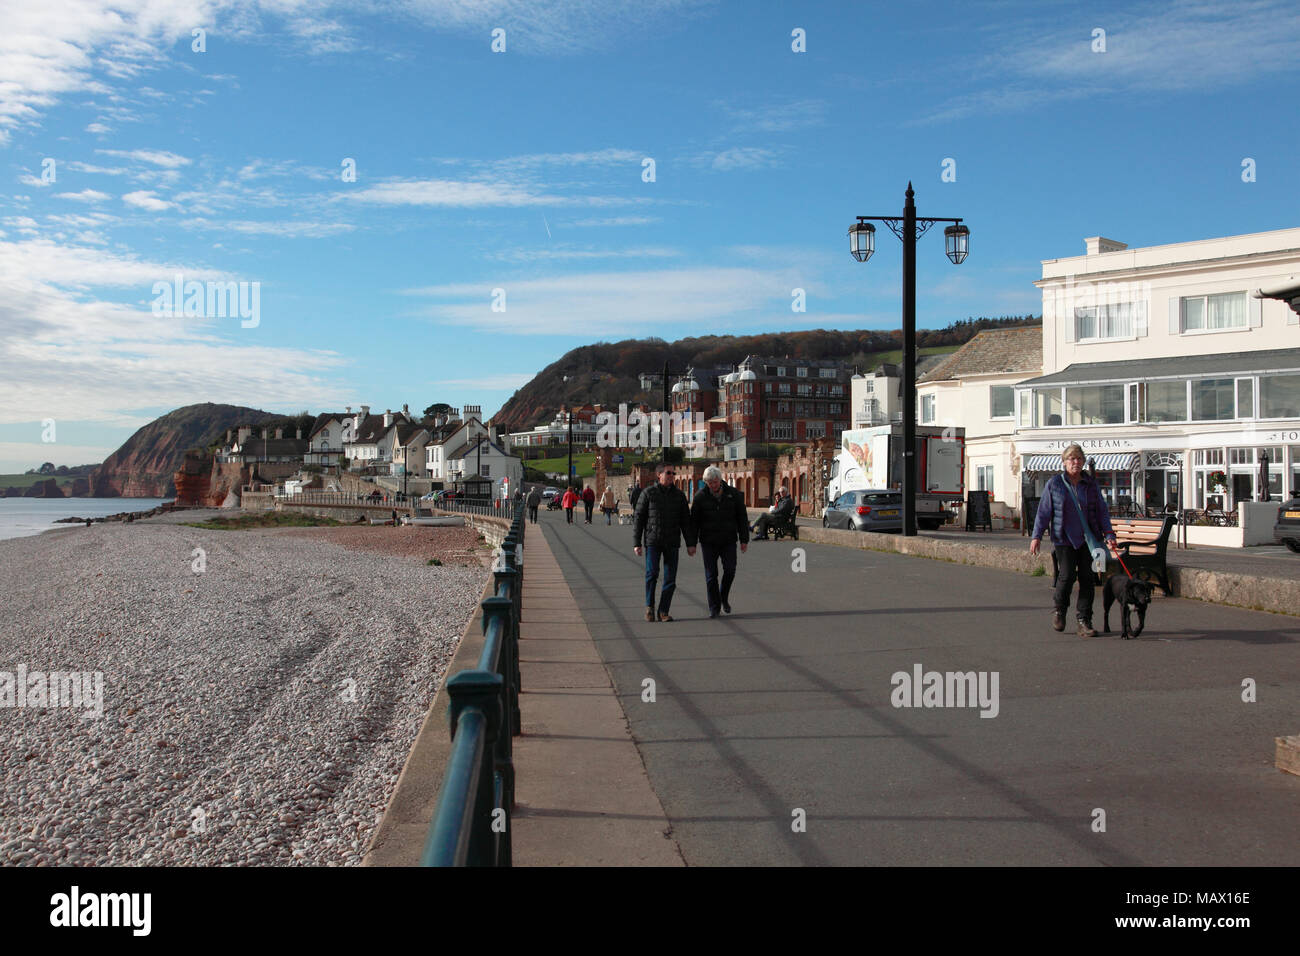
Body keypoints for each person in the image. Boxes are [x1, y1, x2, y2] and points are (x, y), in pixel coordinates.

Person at [1030, 443, 1119, 638]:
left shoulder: (1091, 485)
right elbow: (1044, 512)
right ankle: (1060, 611)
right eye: (1072, 459)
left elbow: (1102, 512)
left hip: (1088, 540)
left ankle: (1084, 620)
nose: (1076, 462)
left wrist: (1109, 534)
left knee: (1088, 579)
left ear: (1084, 462)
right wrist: (1036, 536)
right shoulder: (1055, 484)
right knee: (1067, 576)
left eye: (1079, 459)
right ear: (1064, 462)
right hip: (1064, 538)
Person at [633, 462, 697, 622]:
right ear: (659, 475)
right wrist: (637, 543)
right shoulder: (648, 493)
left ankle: (663, 611)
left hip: (672, 542)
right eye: (668, 473)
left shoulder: (679, 495)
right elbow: (639, 519)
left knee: (670, 579)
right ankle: (649, 607)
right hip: (653, 541)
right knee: (652, 574)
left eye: (673, 473)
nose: (671, 476)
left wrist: (691, 543)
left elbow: (685, 521)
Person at [690, 465, 749, 618]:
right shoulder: (700, 497)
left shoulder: (733, 494)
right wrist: (692, 543)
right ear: (706, 482)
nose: (713, 485)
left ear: (720, 480)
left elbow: (742, 517)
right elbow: (694, 522)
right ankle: (714, 607)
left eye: (715, 482)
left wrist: (744, 539)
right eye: (709, 483)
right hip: (708, 541)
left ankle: (723, 597)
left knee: (730, 570)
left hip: (728, 539)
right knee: (711, 576)